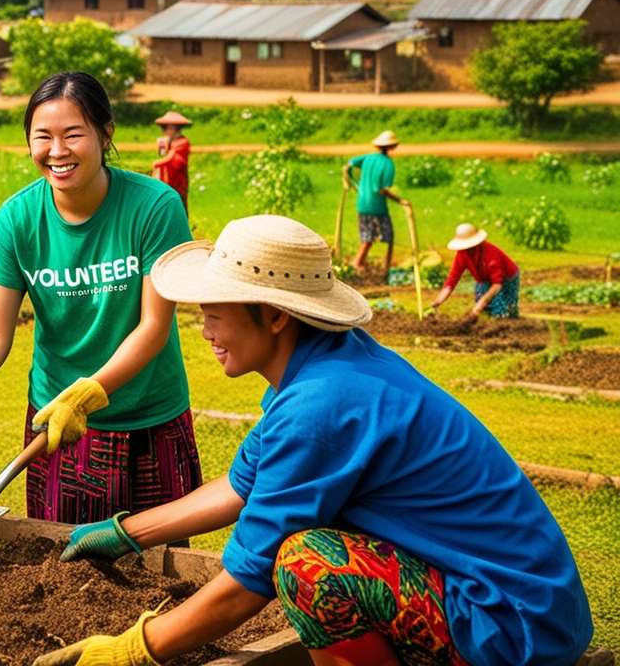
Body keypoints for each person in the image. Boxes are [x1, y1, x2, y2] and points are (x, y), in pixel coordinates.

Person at [46, 214, 592, 666]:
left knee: (309, 565)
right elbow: (243, 488)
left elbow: (246, 580)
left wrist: (133, 651)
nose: (206, 331)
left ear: (277, 317)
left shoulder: (322, 405)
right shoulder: (329, 368)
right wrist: (123, 532)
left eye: (214, 315)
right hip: (517, 602)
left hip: (511, 624)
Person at [0, 72, 200, 525]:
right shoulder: (18, 219)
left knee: (159, 570)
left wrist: (91, 391)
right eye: (42, 137)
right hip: (57, 422)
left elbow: (153, 327)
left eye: (73, 135)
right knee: (64, 569)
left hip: (149, 418)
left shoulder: (154, 207)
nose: (57, 151)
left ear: (105, 134)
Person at [342, 130, 404, 278]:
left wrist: (351, 183)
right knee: (388, 236)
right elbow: (381, 189)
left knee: (367, 237)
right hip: (377, 207)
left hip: (362, 203)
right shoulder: (388, 164)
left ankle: (359, 263)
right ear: (393, 146)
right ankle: (382, 267)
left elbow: (347, 166)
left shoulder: (368, 158)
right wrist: (399, 200)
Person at [431, 222, 521, 319]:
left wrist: (481, 304)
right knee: (481, 297)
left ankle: (506, 322)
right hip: (483, 278)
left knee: (502, 305)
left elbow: (497, 285)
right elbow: (452, 279)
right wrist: (439, 300)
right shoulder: (462, 254)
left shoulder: (491, 256)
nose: (467, 250)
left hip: (507, 277)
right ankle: (486, 320)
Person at [151, 110, 191, 213]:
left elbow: (172, 158)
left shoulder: (183, 142)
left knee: (179, 203)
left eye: (166, 128)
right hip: (167, 178)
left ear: (173, 129)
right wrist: (162, 145)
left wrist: (157, 163)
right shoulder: (169, 141)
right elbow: (162, 154)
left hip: (178, 180)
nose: (164, 131)